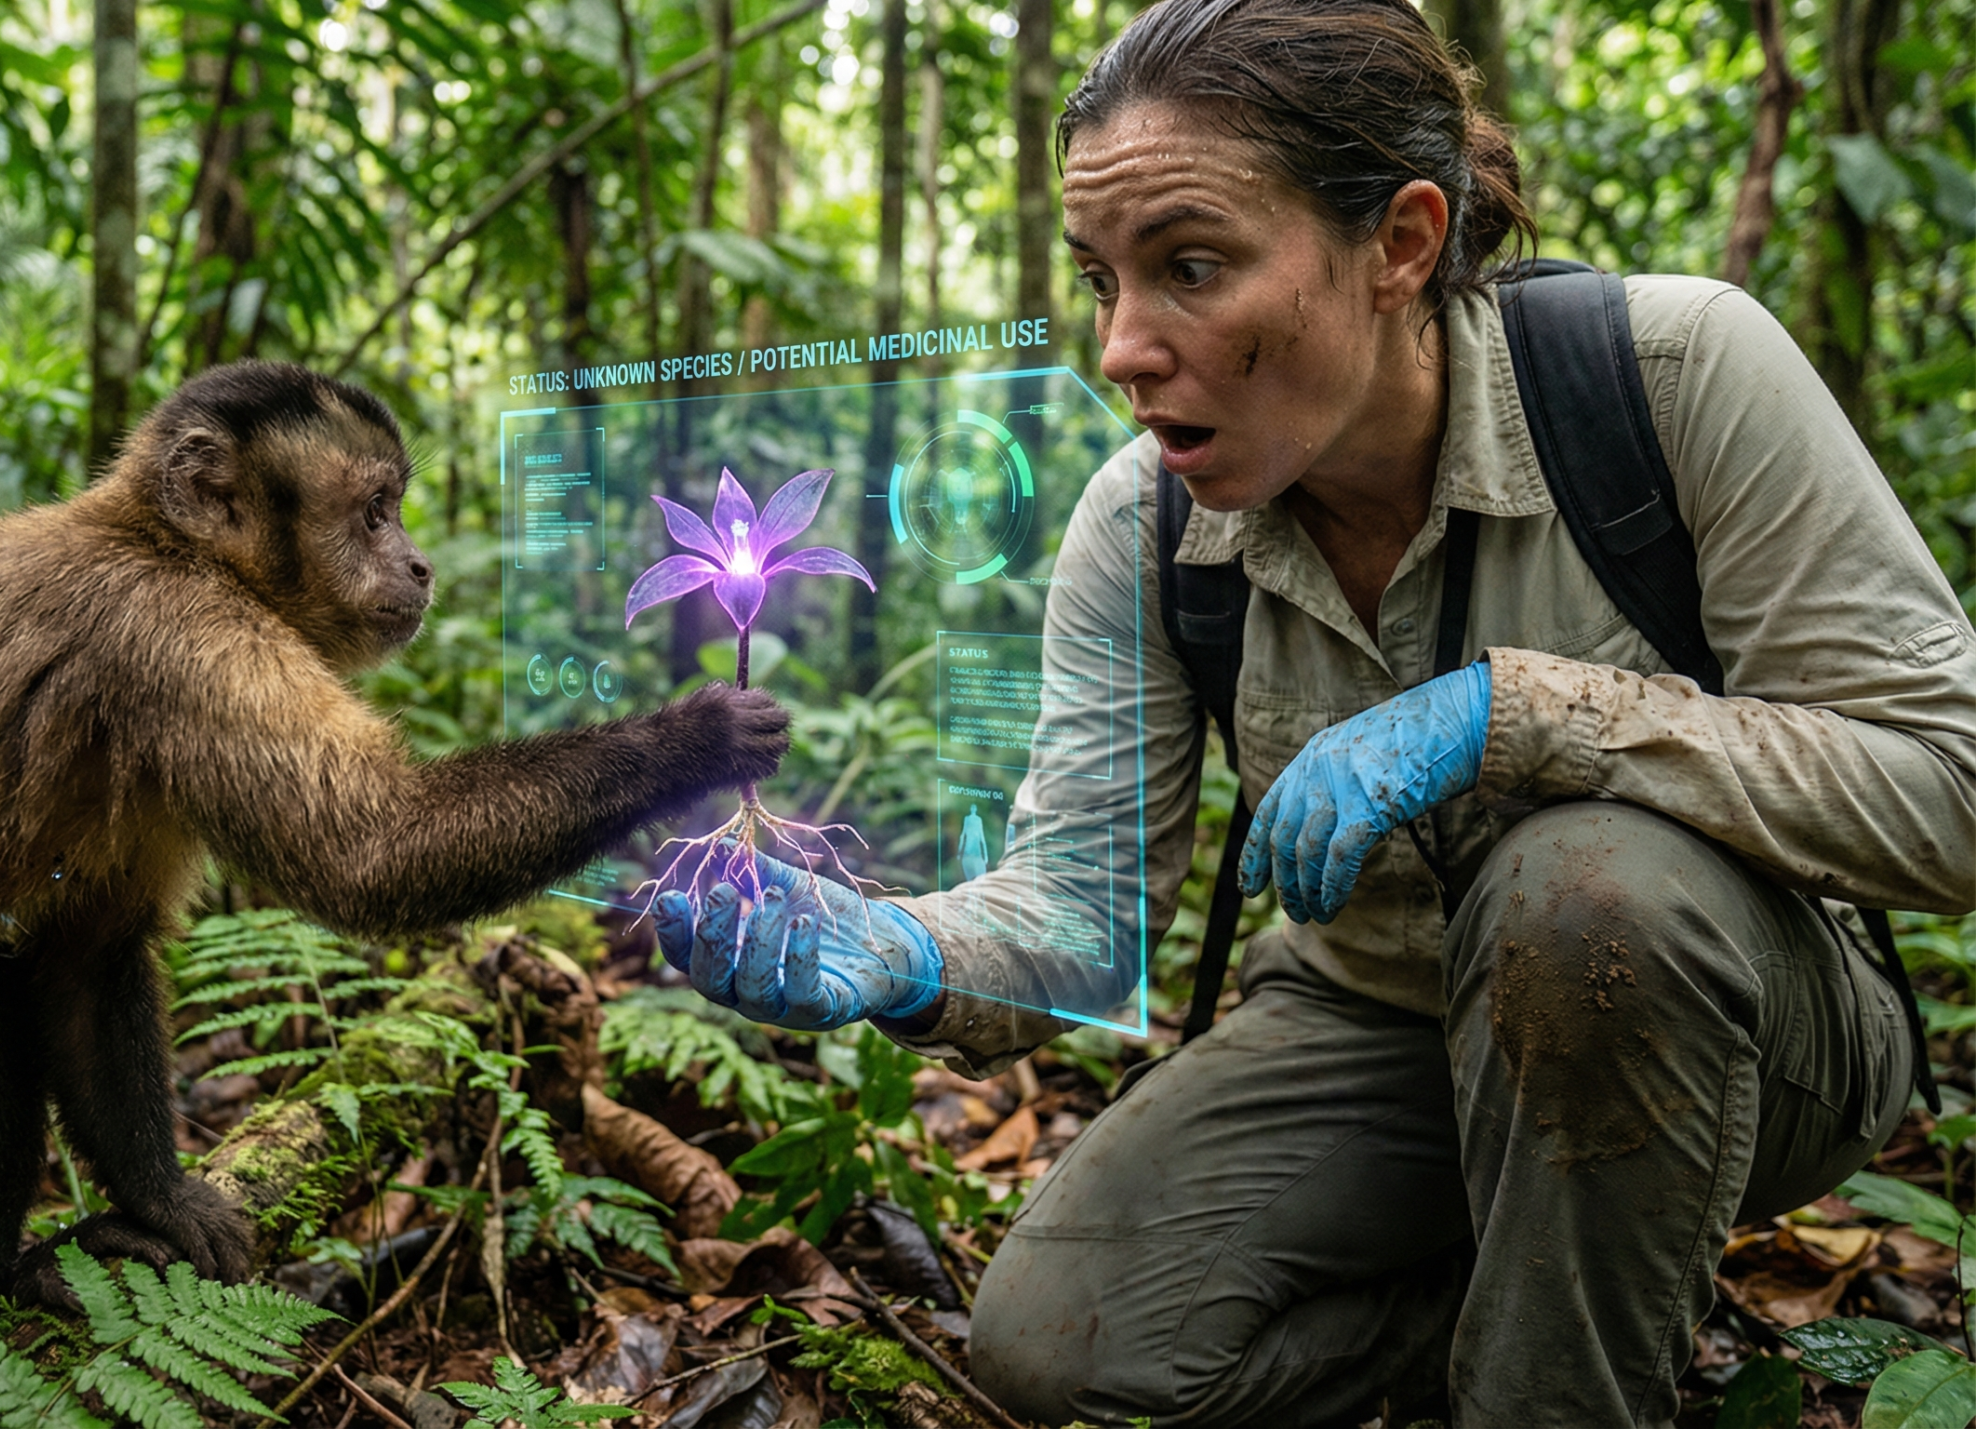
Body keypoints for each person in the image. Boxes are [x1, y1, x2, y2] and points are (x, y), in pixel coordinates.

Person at [650, 0, 1976, 1423]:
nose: (1124, 348)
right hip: (1381, 1014)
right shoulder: (1143, 528)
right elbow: (1087, 915)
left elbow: (1951, 796)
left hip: (1751, 1022)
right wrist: (898, 951)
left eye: (1194, 266)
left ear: (1402, 243)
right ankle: (1521, 1301)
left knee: (1582, 889)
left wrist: (1517, 713)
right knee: (1063, 1347)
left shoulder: (1673, 376)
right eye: (1102, 281)